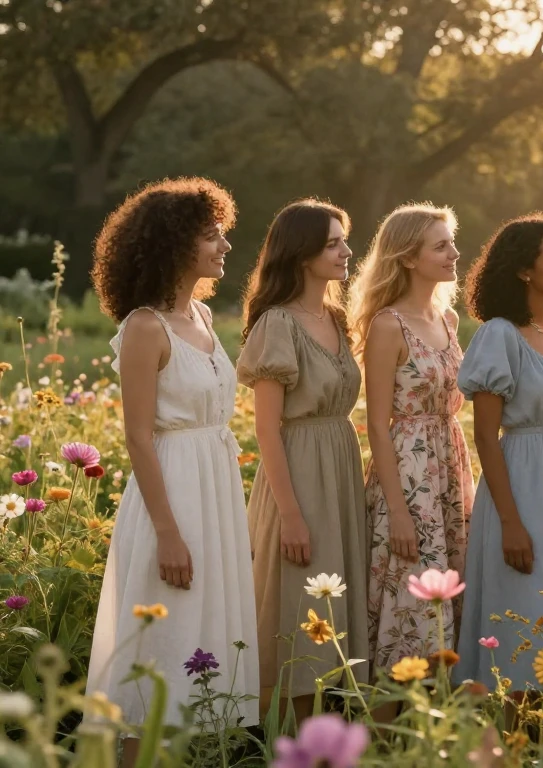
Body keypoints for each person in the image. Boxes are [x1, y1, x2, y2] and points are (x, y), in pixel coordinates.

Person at [85, 178, 259, 765]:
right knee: (161, 650)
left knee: (201, 645)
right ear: (176, 243)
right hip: (171, 496)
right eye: (212, 236)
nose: (224, 246)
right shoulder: (144, 327)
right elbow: (137, 436)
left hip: (213, 490)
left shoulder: (205, 315)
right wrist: (167, 532)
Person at [236, 200, 367, 721]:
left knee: (333, 617)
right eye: (333, 243)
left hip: (339, 471)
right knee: (298, 612)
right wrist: (291, 514)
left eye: (344, 240)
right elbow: (266, 427)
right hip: (297, 476)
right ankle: (286, 742)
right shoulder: (277, 324)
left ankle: (326, 737)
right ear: (302, 251)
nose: (345, 251)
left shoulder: (337, 318)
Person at [453, 213, 543, 694]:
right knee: (525, 612)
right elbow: (486, 437)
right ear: (524, 271)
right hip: (520, 485)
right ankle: (512, 733)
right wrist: (511, 522)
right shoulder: (498, 334)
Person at [349, 204, 474, 674]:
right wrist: (398, 512)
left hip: (450, 466)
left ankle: (434, 730)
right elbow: (377, 424)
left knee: (449, 600)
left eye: (451, 243)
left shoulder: (448, 320)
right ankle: (382, 734)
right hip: (408, 474)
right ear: (407, 257)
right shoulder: (388, 325)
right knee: (408, 601)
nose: (453, 253)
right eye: (440, 246)